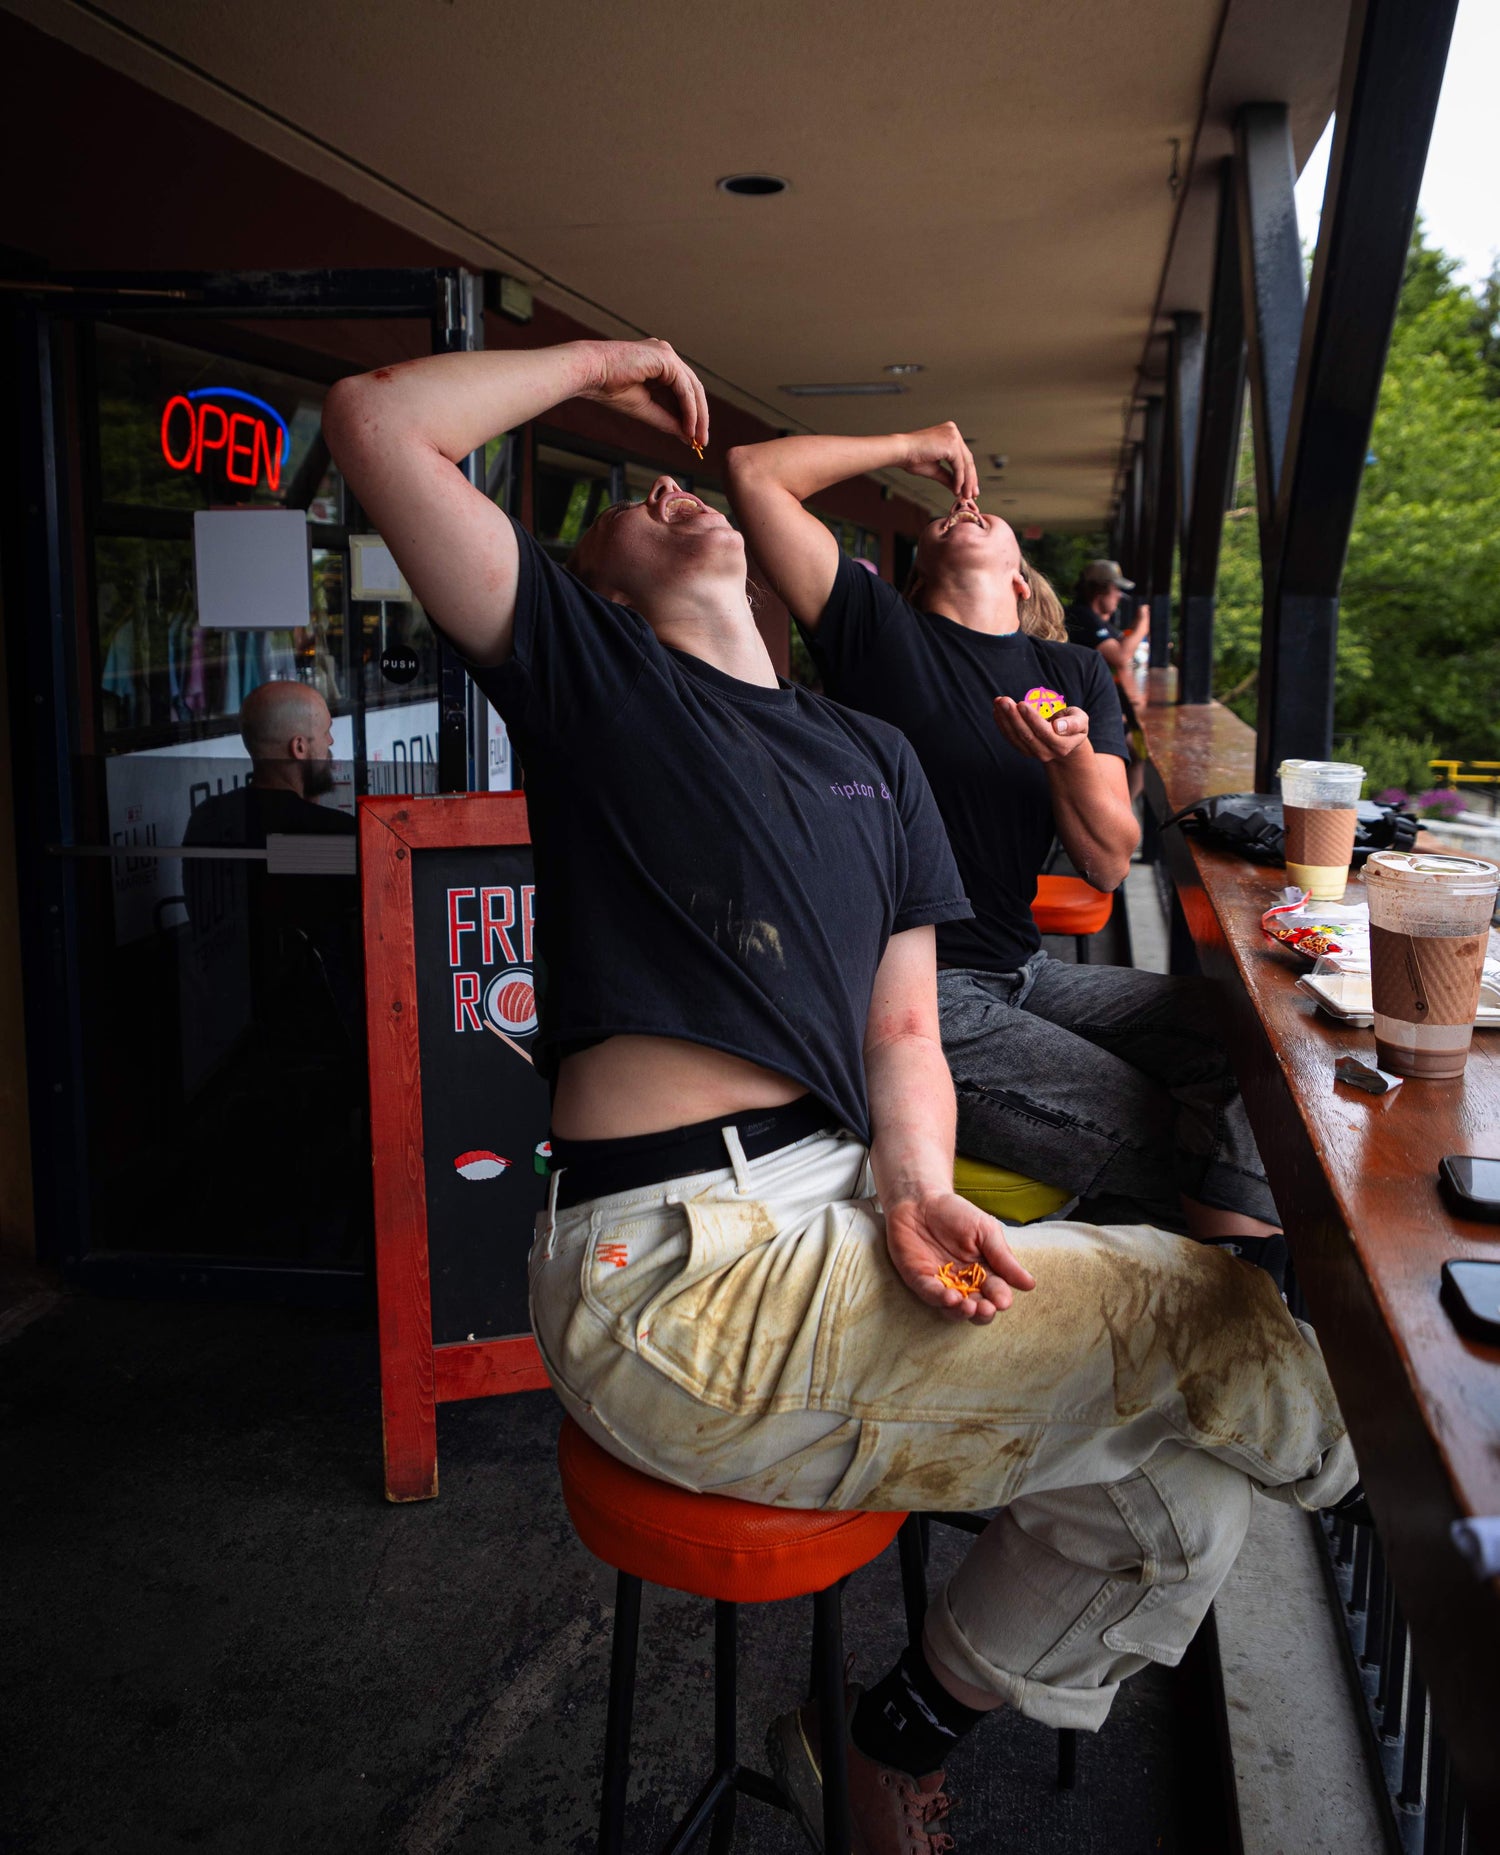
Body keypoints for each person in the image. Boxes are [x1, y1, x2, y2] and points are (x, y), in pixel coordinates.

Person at [324, 342, 1354, 1852]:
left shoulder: (869, 746)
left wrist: (914, 1181)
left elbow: (906, 1036)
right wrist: (606, 364)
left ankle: (880, 1740)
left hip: (836, 1204)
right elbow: (375, 421)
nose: (670, 484)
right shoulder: (598, 678)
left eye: (665, 475)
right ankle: (1442, 1515)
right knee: (1200, 1312)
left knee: (1180, 1506)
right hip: (673, 1277)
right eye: (627, 499)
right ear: (592, 581)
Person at [726, 428, 1286, 1277]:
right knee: (1184, 1129)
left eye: (987, 516)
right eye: (946, 518)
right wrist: (909, 447)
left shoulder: (1072, 672)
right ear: (916, 575)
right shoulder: (880, 632)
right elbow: (752, 471)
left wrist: (1066, 763)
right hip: (914, 999)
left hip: (1024, 970)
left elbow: (1107, 859)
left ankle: (1238, 1278)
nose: (967, 509)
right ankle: (1253, 1286)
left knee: (1248, 1032)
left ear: (1021, 580)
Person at [1063, 558, 1150, 674]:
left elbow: (1123, 645)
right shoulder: (1082, 617)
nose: (1120, 596)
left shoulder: (1093, 618)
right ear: (1099, 589)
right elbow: (1120, 657)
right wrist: (1143, 625)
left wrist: (1135, 628)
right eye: (1116, 589)